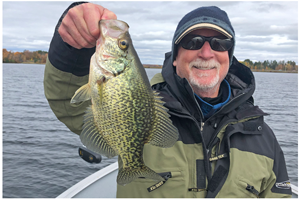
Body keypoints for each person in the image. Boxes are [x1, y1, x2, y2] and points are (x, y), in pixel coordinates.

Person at [44, 2, 292, 198]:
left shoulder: (262, 137)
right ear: (175, 57)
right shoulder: (145, 106)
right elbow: (67, 102)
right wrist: (71, 47)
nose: (206, 52)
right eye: (193, 42)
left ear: (229, 56)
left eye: (220, 43)